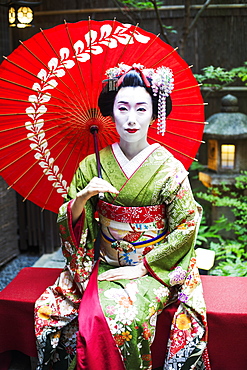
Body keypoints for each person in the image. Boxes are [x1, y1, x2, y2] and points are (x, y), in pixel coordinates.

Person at [34, 63, 210, 370]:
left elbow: (185, 226)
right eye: (123, 108)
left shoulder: (169, 168)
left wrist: (143, 267)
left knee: (122, 317)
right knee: (47, 313)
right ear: (109, 112)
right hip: (101, 262)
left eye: (142, 109)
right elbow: (72, 222)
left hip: (153, 267)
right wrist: (82, 198)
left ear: (155, 114)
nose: (131, 118)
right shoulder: (92, 164)